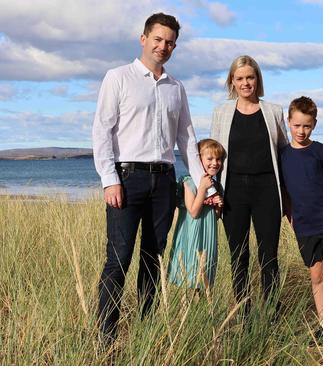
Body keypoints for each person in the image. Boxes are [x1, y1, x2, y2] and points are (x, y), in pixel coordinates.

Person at [92, 12, 214, 344]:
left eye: (170, 42)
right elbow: (102, 132)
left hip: (164, 181)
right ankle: (106, 337)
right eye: (158, 39)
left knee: (153, 259)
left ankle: (146, 336)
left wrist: (207, 183)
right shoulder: (118, 77)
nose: (163, 46)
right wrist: (109, 179)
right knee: (119, 259)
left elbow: (187, 140)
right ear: (143, 38)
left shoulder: (177, 88)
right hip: (127, 178)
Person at [210, 55, 289, 310]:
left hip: (267, 190)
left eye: (250, 77)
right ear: (232, 81)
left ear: (258, 79)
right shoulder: (221, 112)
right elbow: (213, 155)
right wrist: (211, 191)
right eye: (240, 78)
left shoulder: (273, 111)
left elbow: (284, 153)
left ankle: (272, 314)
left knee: (269, 257)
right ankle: (243, 314)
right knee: (238, 256)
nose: (246, 83)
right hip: (233, 191)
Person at [279, 96, 323, 354]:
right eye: (297, 125)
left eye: (307, 126)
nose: (301, 131)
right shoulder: (283, 155)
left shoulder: (322, 152)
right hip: (304, 225)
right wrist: (292, 217)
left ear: (314, 125)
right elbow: (285, 192)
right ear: (289, 122)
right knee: (317, 278)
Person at [168, 139, 225, 291]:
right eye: (210, 159)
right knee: (190, 272)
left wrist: (218, 206)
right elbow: (193, 212)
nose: (215, 163)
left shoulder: (216, 185)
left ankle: (201, 306)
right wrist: (202, 189)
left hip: (207, 233)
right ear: (198, 160)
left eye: (218, 159)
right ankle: (185, 309)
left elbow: (216, 217)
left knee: (204, 275)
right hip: (192, 232)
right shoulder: (189, 182)